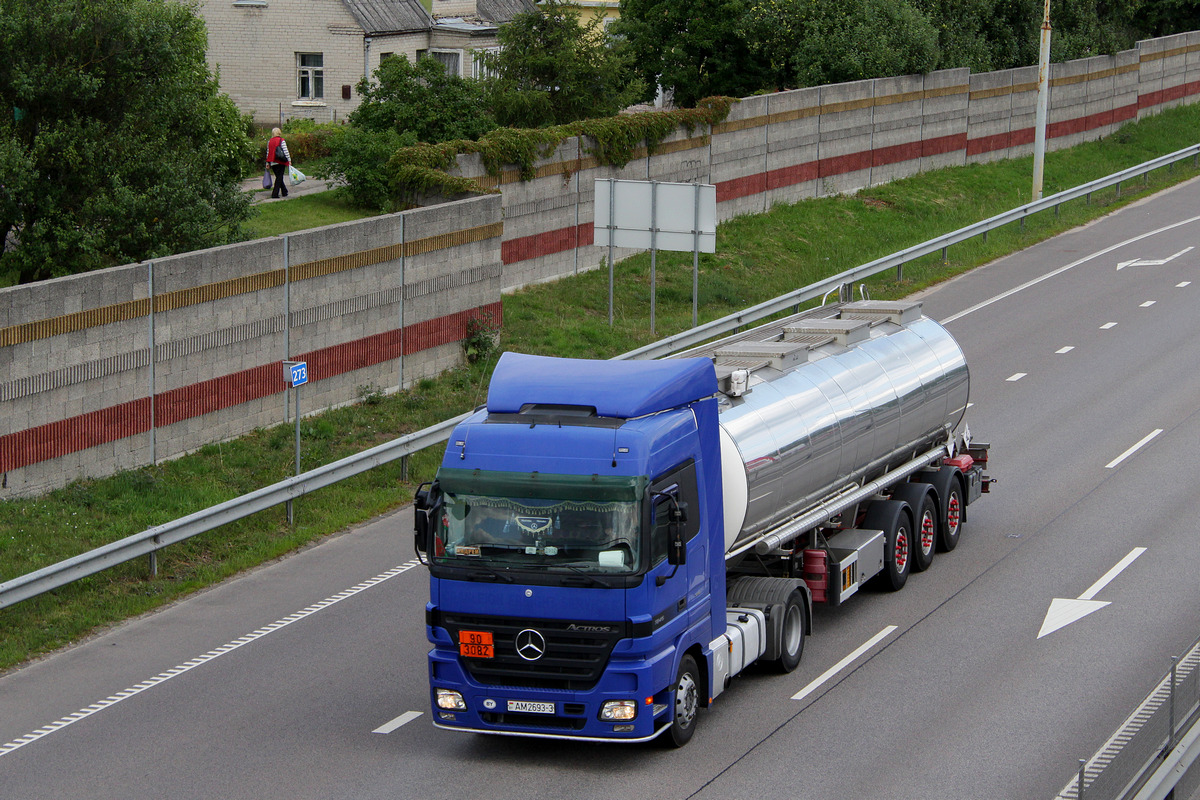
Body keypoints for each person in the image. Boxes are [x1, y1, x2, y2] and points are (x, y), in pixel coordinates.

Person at [266, 127, 290, 199]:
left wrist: (267, 163)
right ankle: (275, 193)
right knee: (279, 177)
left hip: (272, 162)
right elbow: (285, 151)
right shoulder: (281, 140)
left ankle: (284, 191)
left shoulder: (269, 141)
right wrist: (289, 160)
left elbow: (268, 152)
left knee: (279, 177)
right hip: (280, 161)